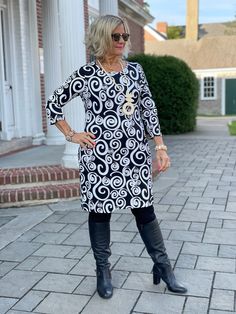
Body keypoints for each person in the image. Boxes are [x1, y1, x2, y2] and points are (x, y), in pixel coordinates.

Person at [46, 15, 187, 299]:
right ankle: (103, 270)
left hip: (134, 155)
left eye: (125, 37)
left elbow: (148, 109)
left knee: (145, 211)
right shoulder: (86, 75)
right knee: (100, 214)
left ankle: (164, 268)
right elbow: (53, 104)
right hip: (98, 158)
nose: (122, 41)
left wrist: (160, 147)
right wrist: (72, 135)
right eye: (116, 36)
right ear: (102, 37)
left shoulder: (135, 71)